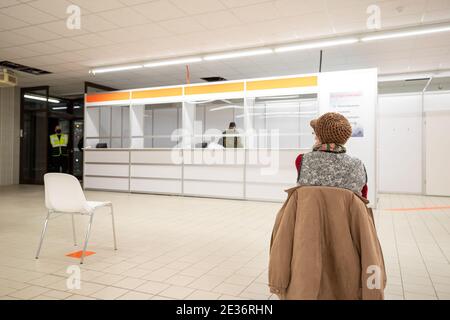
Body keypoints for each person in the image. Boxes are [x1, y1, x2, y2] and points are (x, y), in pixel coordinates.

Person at [295, 112, 368, 198]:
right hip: (344, 211)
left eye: (315, 133)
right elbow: (362, 200)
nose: (314, 137)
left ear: (319, 136)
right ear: (345, 139)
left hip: (310, 211)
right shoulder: (357, 165)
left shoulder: (302, 160)